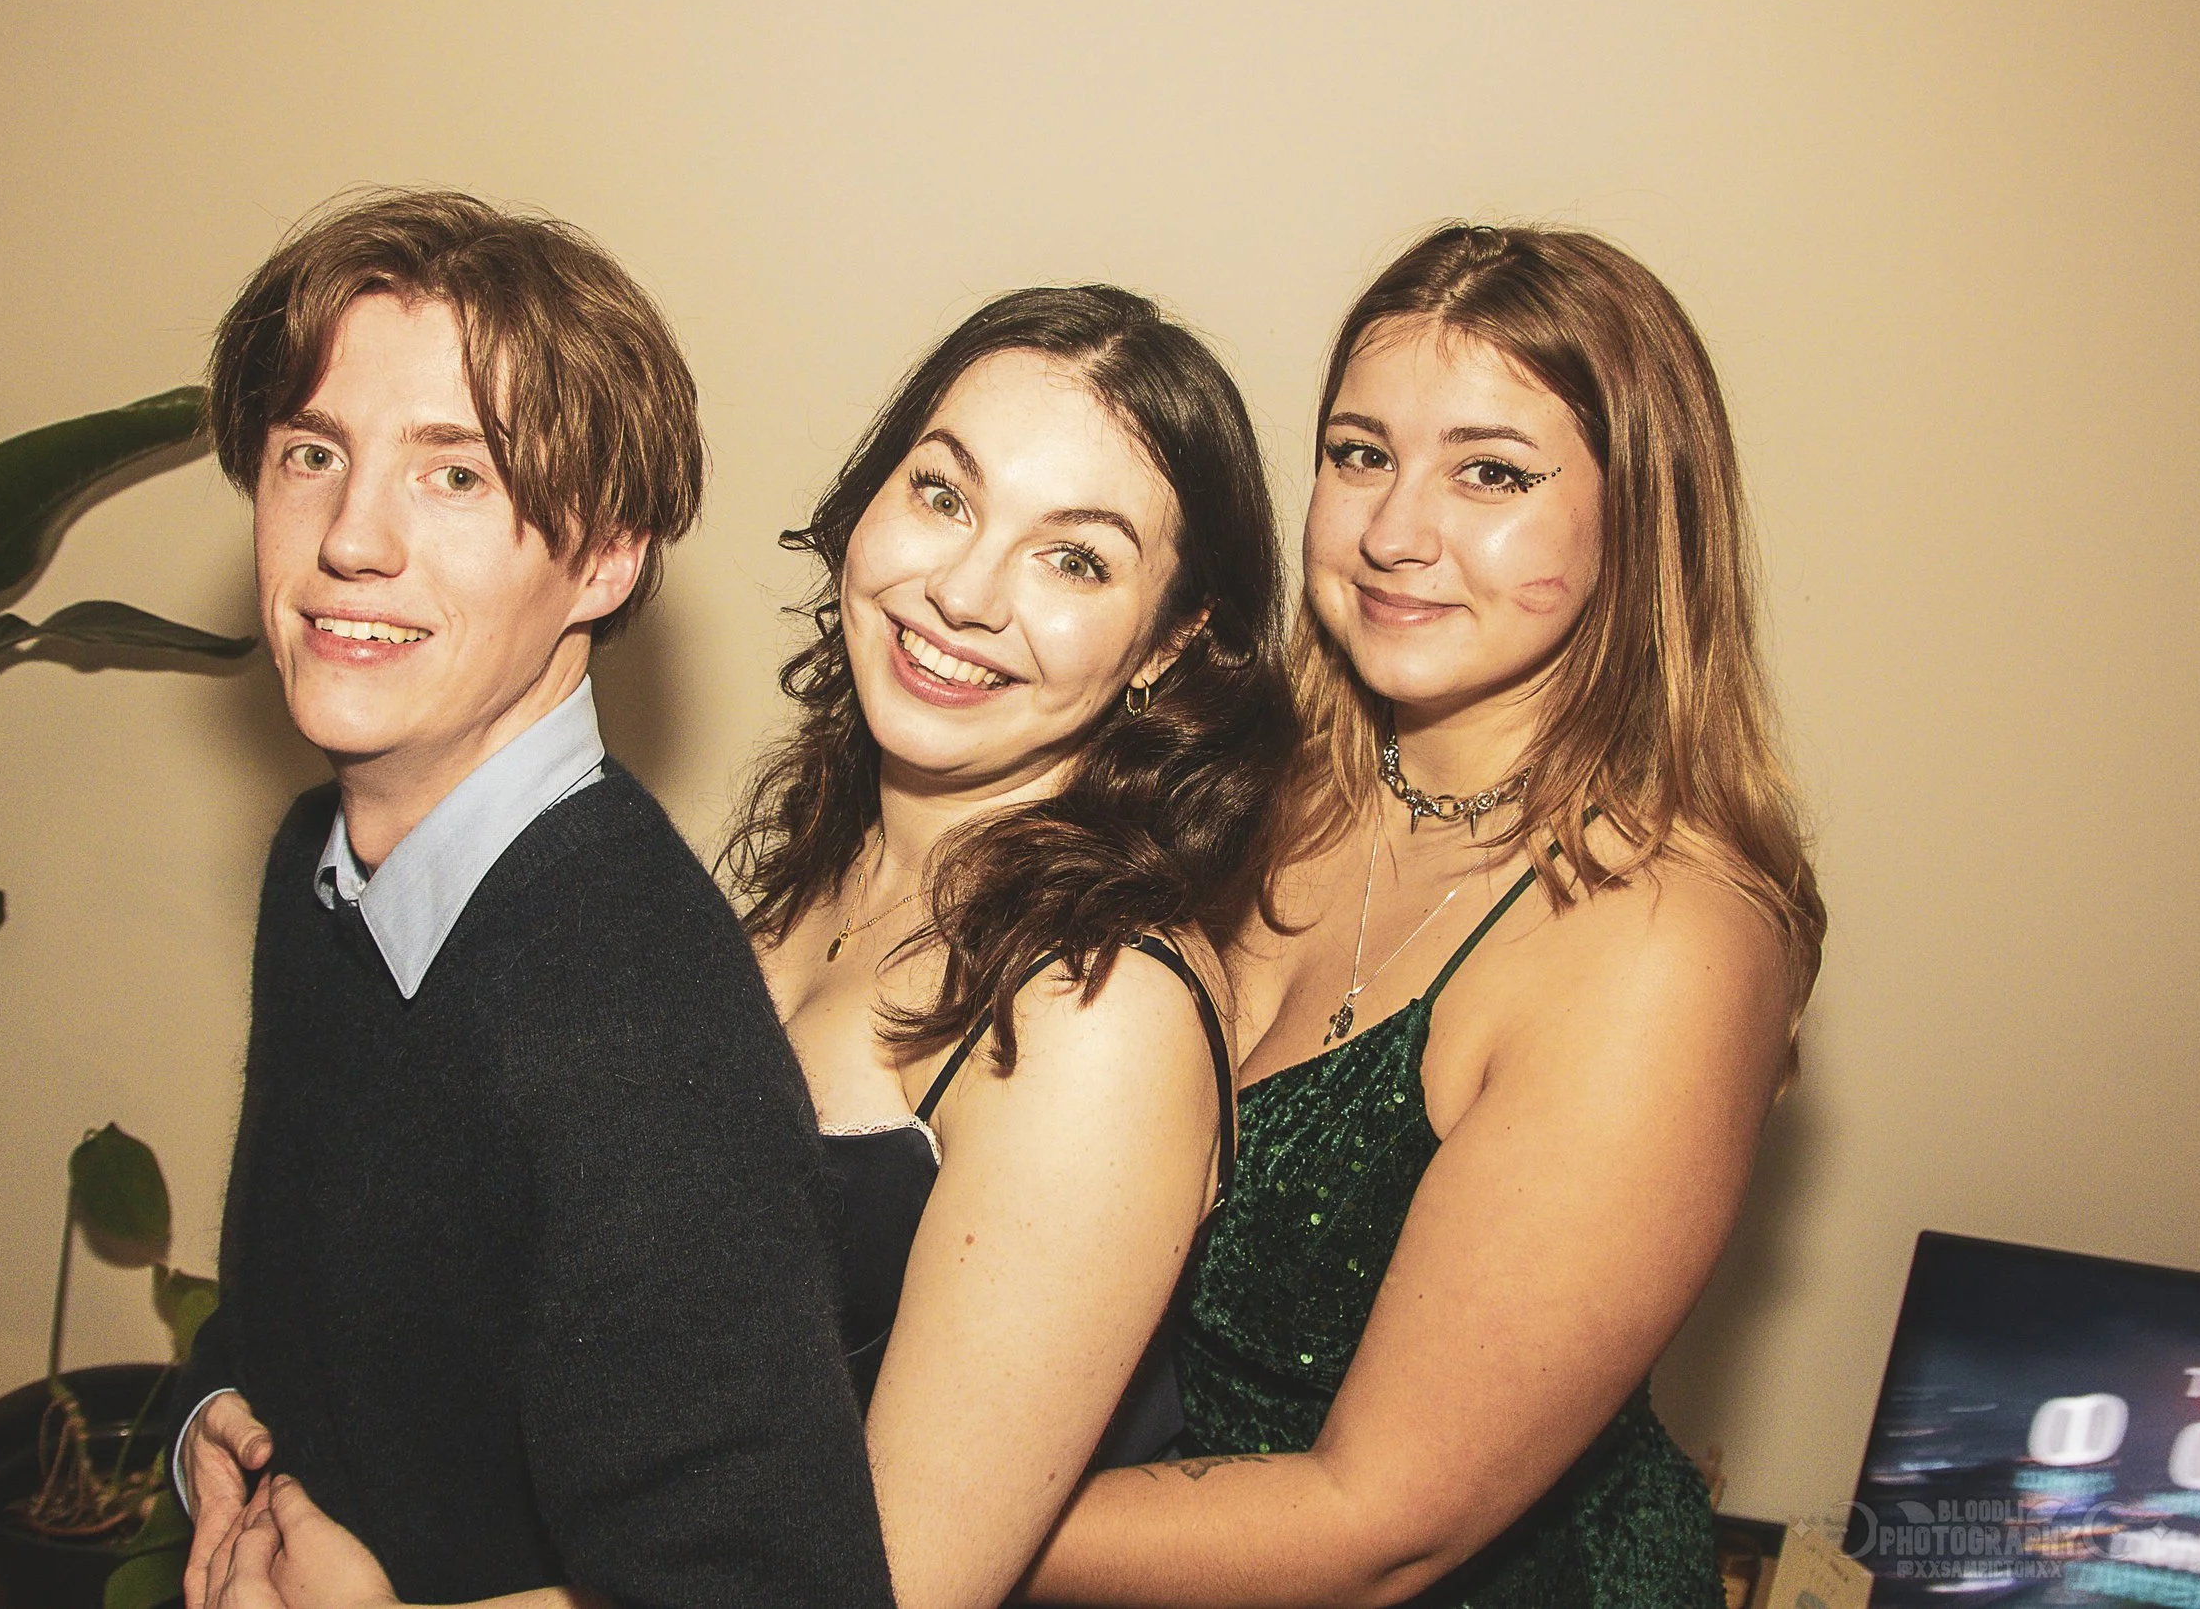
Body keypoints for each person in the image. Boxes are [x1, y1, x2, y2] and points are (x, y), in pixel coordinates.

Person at [222, 285, 1296, 1609]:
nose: (962, 590)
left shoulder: (1097, 1016)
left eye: (1074, 559)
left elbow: (885, 1585)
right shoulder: (818, 868)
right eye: (943, 494)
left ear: (1172, 642)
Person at [1018, 224, 1827, 1607]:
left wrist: (879, 1503)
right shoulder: (1256, 787)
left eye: (1491, 473)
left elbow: (1380, 1527)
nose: (1395, 533)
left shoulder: (1663, 944)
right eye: (1359, 454)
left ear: (1640, 522)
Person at [169, 189, 896, 1609]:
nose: (350, 538)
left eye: (456, 475)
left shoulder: (633, 1026)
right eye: (313, 453)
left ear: (607, 556)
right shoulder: (323, 867)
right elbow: (318, 1314)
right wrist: (219, 1420)